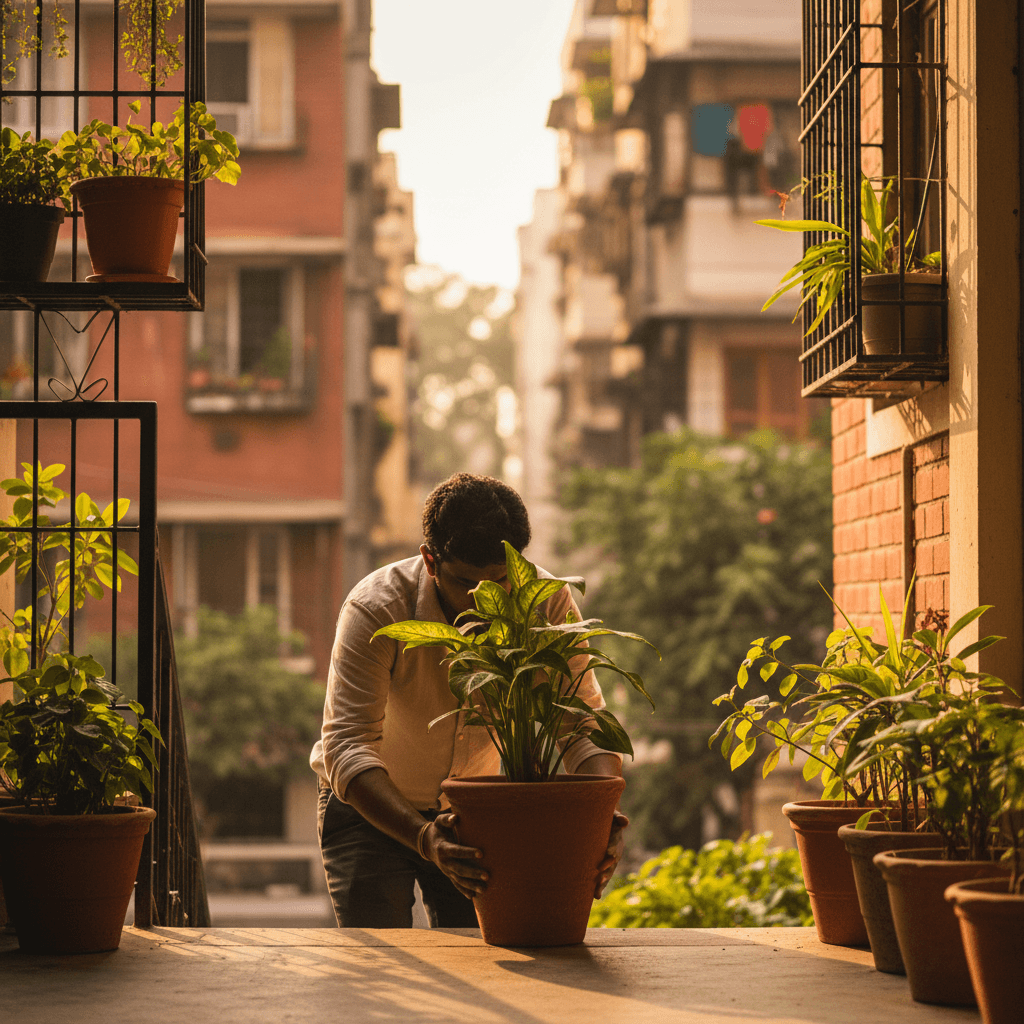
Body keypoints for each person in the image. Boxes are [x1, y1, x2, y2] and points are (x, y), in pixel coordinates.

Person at [310, 472, 627, 928]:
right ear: (431, 561)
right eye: (465, 583)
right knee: (382, 959)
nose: (484, 601)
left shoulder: (547, 603)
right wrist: (423, 838)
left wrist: (601, 816)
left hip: (474, 811)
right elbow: (347, 745)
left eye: (500, 582)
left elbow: (581, 726)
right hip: (368, 808)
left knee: (480, 961)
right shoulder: (376, 608)